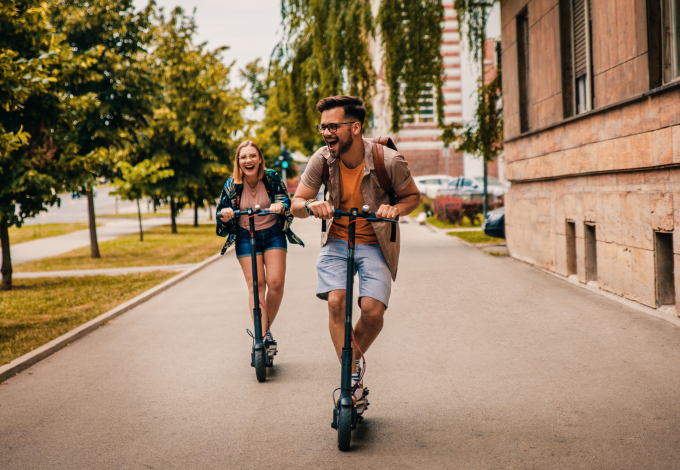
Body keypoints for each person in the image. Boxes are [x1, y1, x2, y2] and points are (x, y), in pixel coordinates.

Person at [291, 95, 421, 404]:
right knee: (336, 302)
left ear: (355, 127)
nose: (326, 133)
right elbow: (295, 204)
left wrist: (395, 209)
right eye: (323, 127)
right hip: (336, 240)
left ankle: (349, 369)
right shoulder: (321, 159)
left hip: (375, 242)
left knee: (373, 313)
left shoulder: (388, 161)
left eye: (333, 126)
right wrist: (311, 205)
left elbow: (413, 197)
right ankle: (351, 381)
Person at [216, 140, 304, 354]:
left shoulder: (271, 177)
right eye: (244, 157)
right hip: (247, 236)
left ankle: (264, 332)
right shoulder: (232, 185)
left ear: (260, 159)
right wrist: (226, 216)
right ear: (238, 161)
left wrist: (279, 206)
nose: (248, 160)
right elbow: (221, 215)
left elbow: (286, 202)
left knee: (275, 283)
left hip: (273, 234)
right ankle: (262, 337)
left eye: (253, 156)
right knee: (257, 285)